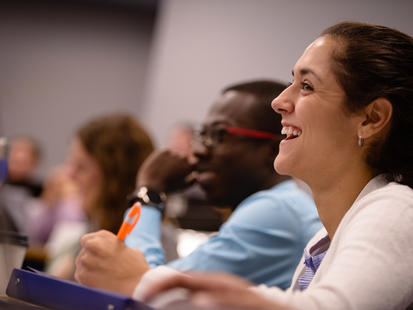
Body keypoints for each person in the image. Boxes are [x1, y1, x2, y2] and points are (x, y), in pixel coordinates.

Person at [138, 22, 413, 310]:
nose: (279, 101)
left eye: (306, 86)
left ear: (371, 118)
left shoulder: (396, 208)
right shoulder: (324, 240)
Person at [74, 80, 322, 294]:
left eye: (217, 135)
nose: (200, 151)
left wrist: (148, 191)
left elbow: (143, 289)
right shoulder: (283, 204)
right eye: (201, 134)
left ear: (271, 150)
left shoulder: (275, 210)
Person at [45, 113, 154, 279]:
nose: (70, 175)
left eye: (81, 166)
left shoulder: (149, 248)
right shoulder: (96, 227)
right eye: (72, 163)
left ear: (115, 179)